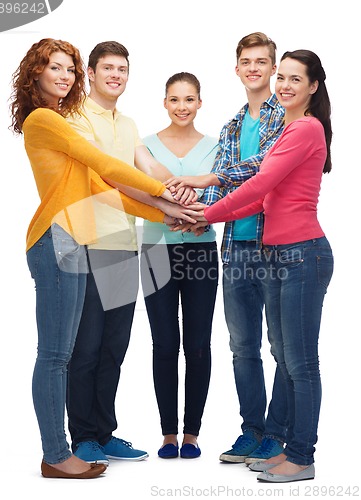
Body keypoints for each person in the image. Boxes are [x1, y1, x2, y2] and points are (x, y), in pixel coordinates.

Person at [9, 38, 192, 479]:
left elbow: (99, 188)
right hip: (58, 238)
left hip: (79, 239)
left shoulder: (79, 122)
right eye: (56, 68)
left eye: (68, 69)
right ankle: (58, 453)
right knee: (58, 355)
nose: (65, 76)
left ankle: (80, 443)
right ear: (35, 73)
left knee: (83, 350)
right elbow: (103, 165)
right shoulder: (47, 120)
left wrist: (165, 212)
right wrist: (165, 194)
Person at [192, 49, 334, 482]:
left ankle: (302, 456)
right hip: (279, 256)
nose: (286, 85)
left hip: (302, 255)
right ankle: (288, 449)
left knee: (301, 363)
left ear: (313, 86)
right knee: (289, 360)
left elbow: (260, 182)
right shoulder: (291, 129)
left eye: (296, 79)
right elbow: (260, 198)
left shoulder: (305, 129)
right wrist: (207, 212)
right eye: (283, 78)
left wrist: (205, 212)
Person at [65, 41, 198, 465]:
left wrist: (178, 189)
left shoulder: (128, 123)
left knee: (113, 347)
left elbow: (147, 165)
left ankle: (104, 434)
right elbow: (109, 175)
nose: (116, 75)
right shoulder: (73, 117)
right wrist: (163, 204)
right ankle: (82, 437)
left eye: (122, 69)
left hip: (122, 245)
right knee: (85, 347)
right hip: (85, 243)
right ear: (89, 72)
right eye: (107, 68)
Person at [166, 32, 287, 464]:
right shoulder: (231, 126)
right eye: (246, 61)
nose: (253, 68)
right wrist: (194, 213)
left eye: (261, 61)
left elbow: (265, 168)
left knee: (281, 347)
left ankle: (278, 434)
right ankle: (251, 431)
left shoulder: (286, 117)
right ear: (236, 69)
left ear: (274, 68)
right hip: (235, 246)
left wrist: (209, 183)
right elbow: (220, 196)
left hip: (276, 245)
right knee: (243, 347)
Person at [141, 72, 219, 459]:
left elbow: (227, 193)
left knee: (198, 344)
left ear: (200, 103)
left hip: (203, 250)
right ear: (165, 102)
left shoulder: (216, 146)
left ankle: (192, 433)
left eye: (189, 99)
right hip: (156, 249)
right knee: (164, 344)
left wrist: (207, 216)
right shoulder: (145, 146)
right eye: (175, 99)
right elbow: (139, 192)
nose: (182, 107)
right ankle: (168, 433)